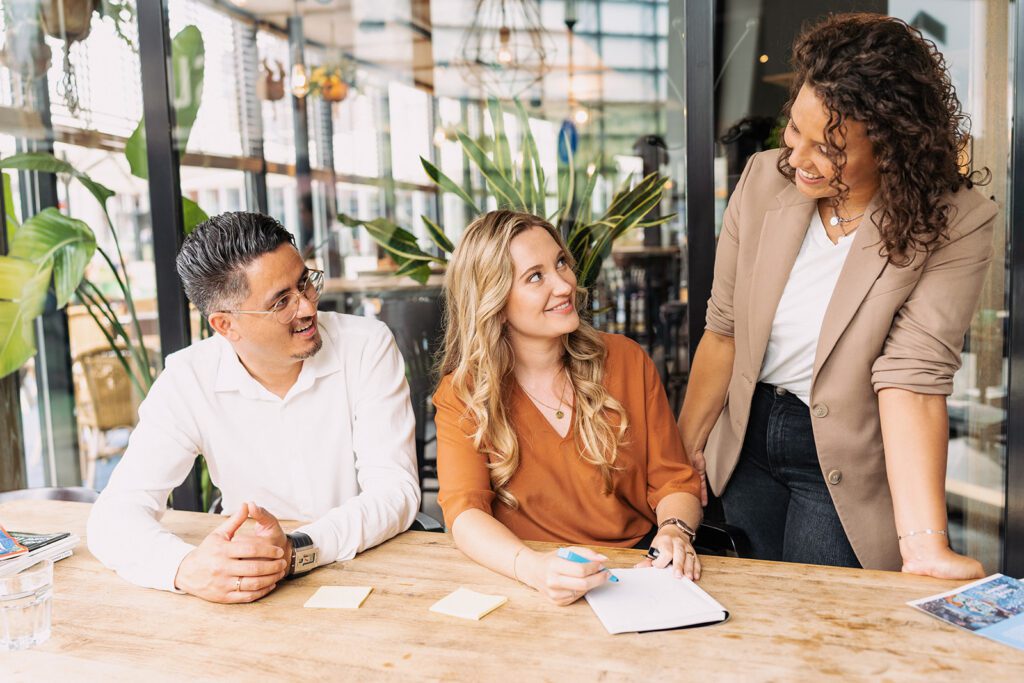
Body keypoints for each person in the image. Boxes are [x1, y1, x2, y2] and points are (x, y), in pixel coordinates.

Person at [677, 13, 995, 578]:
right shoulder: (763, 179)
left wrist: (924, 545)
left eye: (827, 147)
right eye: (794, 129)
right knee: (750, 617)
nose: (797, 157)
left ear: (892, 146)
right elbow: (723, 331)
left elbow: (912, 380)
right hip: (744, 438)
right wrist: (679, 458)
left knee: (818, 625)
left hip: (843, 459)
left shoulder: (953, 222)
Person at [87, 212, 420, 603]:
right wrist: (186, 568)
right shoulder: (189, 378)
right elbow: (116, 512)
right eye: (281, 302)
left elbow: (394, 490)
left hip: (370, 569)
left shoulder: (365, 345)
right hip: (250, 584)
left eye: (305, 283)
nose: (307, 307)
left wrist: (296, 550)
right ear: (226, 326)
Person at [434, 210, 702, 606]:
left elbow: (674, 482)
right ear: (494, 301)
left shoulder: (627, 360)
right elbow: (465, 513)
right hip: (527, 579)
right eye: (535, 277)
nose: (564, 285)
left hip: (637, 574)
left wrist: (674, 532)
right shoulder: (464, 393)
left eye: (561, 263)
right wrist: (533, 568)